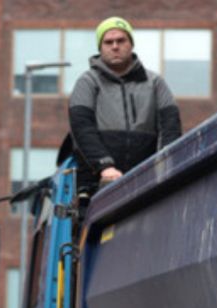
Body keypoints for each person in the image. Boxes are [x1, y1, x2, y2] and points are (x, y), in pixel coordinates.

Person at [69, 17, 182, 194]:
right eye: (108, 42)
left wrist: (163, 166)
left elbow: (171, 128)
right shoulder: (87, 82)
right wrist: (104, 166)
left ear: (131, 44)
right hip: (97, 181)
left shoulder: (155, 83)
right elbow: (82, 128)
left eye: (121, 40)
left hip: (146, 181)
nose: (115, 46)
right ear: (100, 47)